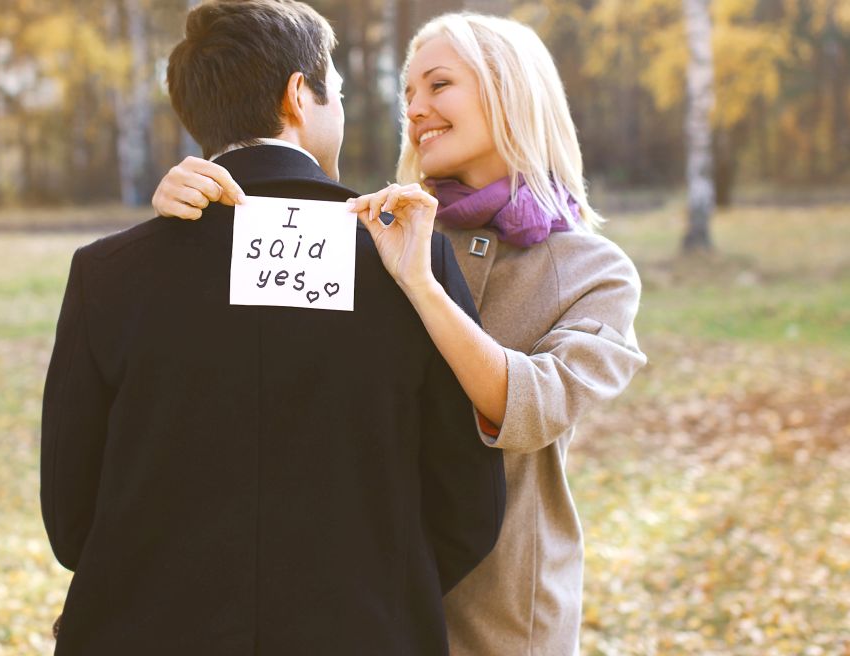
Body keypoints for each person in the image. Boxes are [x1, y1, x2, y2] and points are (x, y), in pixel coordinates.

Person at [151, 11, 647, 656]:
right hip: (361, 606)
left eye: (439, 85)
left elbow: (531, 408)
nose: (414, 109)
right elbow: (260, 347)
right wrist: (194, 203)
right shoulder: (371, 231)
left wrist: (422, 284)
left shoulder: (593, 270)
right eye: (407, 93)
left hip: (498, 614)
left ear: (510, 90)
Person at [40, 2, 507, 654]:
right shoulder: (412, 264)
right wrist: (378, 592)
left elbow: (71, 520)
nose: (341, 109)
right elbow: (469, 507)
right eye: (336, 91)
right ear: (298, 96)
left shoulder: (106, 274)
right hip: (363, 630)